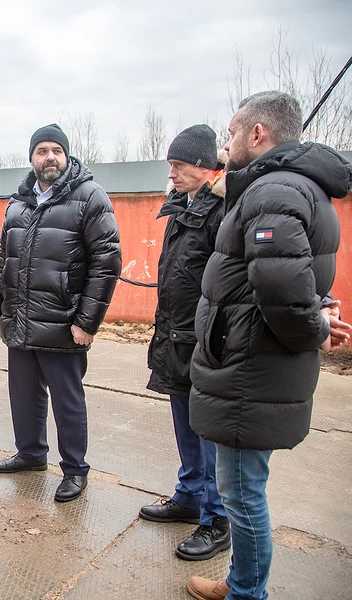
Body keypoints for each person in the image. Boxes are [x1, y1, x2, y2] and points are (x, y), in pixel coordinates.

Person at [185, 91, 352, 600]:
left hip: (249, 372)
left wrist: (315, 326)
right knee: (244, 489)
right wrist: (317, 309)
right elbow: (293, 272)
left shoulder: (274, 191)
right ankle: (241, 584)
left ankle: (245, 593)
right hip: (253, 366)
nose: (225, 143)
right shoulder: (288, 188)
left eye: (232, 131)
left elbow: (280, 288)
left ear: (257, 133)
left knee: (242, 495)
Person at [0, 124, 121, 502]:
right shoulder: (18, 202)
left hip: (64, 323)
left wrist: (87, 321)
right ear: (31, 158)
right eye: (42, 150)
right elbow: (3, 260)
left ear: (66, 156)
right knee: (24, 395)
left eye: (56, 151)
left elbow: (107, 263)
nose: (49, 157)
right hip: (20, 320)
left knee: (67, 401)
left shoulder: (90, 197)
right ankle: (30, 454)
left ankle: (75, 470)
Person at [140, 125, 231, 561]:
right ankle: (189, 495)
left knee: (208, 428)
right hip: (174, 335)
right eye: (170, 165)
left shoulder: (222, 208)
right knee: (185, 423)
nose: (171, 173)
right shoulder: (181, 206)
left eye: (178, 165)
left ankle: (216, 519)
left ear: (202, 166)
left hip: (204, 340)